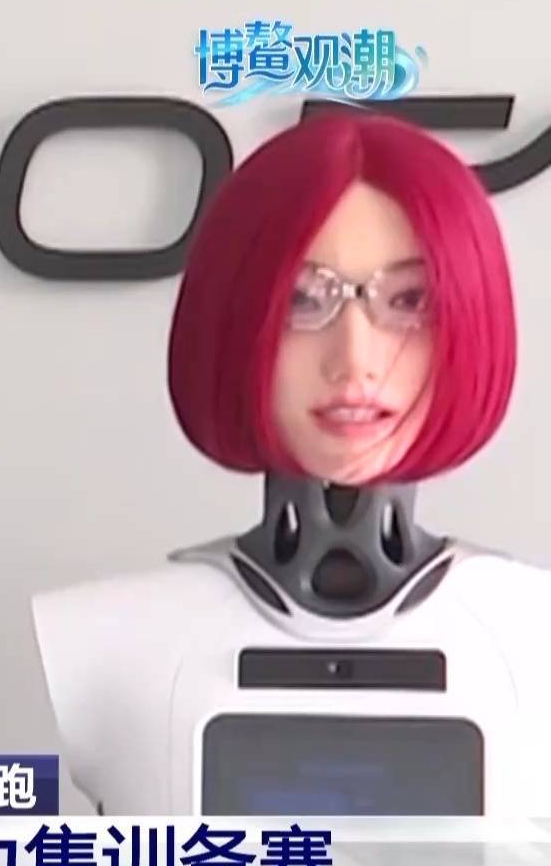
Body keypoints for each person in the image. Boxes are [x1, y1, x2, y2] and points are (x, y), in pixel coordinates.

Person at [31, 111, 550, 815]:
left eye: (409, 300)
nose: (355, 362)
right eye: (304, 300)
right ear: (236, 315)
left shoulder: (531, 630)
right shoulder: (102, 637)